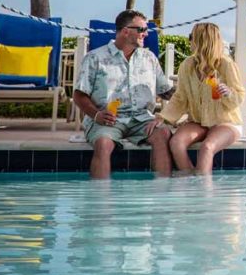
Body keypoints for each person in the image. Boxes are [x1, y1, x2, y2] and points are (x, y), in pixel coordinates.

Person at [73, 10, 174, 178]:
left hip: (142, 119)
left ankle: (162, 189)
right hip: (108, 119)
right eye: (142, 29)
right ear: (126, 31)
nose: (146, 33)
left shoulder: (149, 58)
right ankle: (100, 193)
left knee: (163, 134)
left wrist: (194, 93)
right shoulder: (95, 58)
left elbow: (165, 91)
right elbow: (79, 94)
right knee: (103, 144)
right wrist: (97, 115)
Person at [153, 22, 245, 174]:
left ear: (202, 41)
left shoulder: (226, 65)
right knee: (176, 143)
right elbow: (180, 97)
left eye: (191, 37)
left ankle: (203, 187)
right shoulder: (186, 65)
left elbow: (239, 96)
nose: (189, 40)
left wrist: (228, 93)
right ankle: (190, 182)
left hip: (225, 122)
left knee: (207, 147)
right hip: (198, 121)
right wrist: (163, 117)